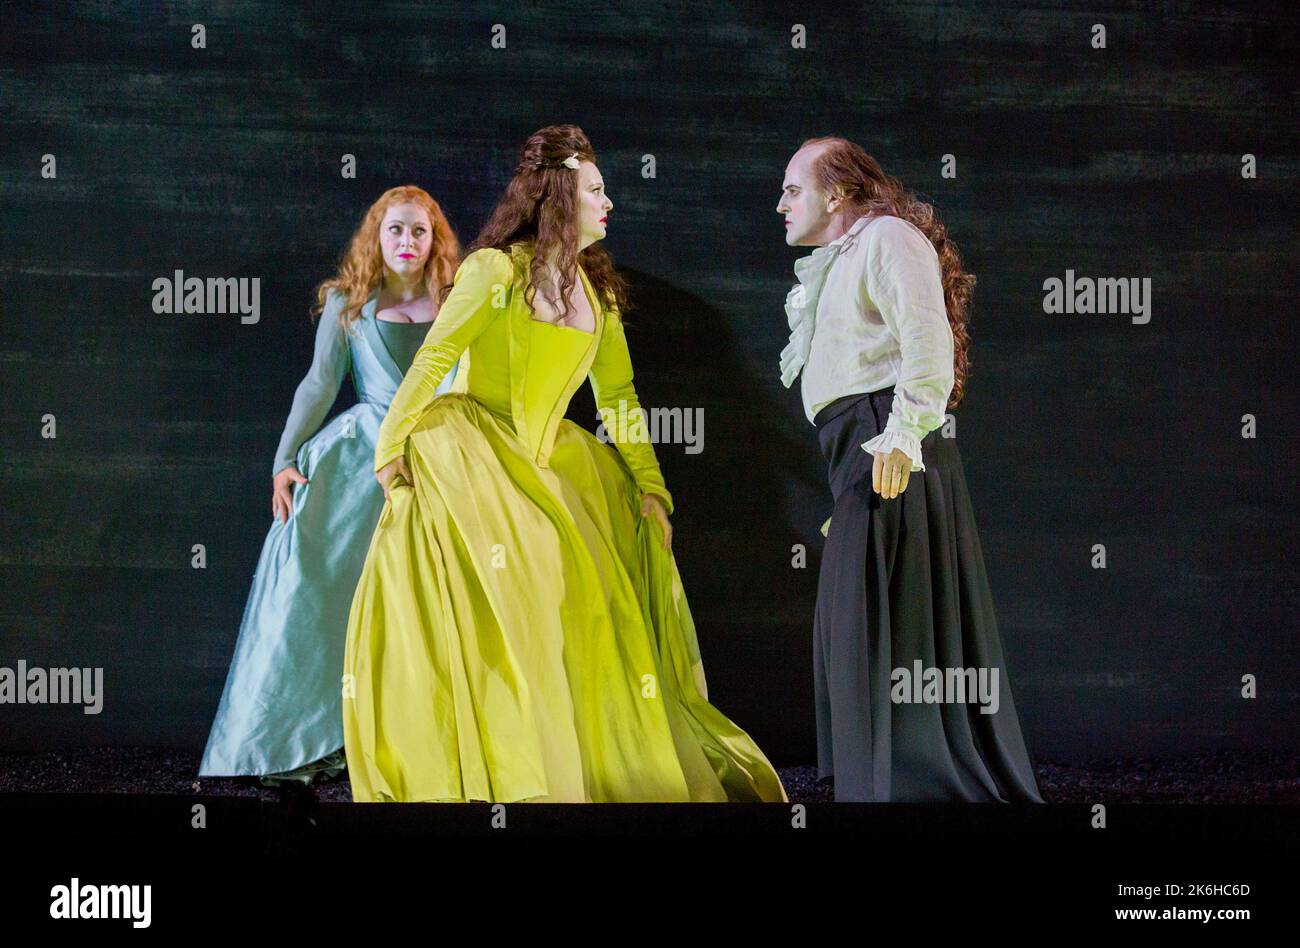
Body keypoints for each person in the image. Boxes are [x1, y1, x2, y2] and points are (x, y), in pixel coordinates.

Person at [342, 125, 787, 803]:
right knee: (518, 587)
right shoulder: (494, 270)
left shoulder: (597, 297)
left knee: (584, 597)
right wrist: (391, 445)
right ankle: (510, 770)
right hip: (475, 449)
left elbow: (619, 398)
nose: (609, 202)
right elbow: (435, 358)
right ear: (557, 197)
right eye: (596, 190)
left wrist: (651, 487)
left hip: (554, 462)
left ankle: (572, 763)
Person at [776, 136, 1043, 802]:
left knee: (888, 625)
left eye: (793, 188)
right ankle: (881, 783)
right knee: (853, 630)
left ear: (836, 192)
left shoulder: (888, 238)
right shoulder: (842, 259)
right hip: (857, 455)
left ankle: (920, 785)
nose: (781, 203)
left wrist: (899, 438)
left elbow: (928, 337)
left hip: (886, 444)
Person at [200, 186, 466, 782]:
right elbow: (317, 386)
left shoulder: (456, 302)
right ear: (377, 236)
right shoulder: (350, 302)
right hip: (359, 461)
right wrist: (283, 459)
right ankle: (311, 740)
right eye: (394, 230)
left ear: (435, 241)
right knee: (317, 578)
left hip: (442, 456)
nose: (406, 242)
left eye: (419, 232)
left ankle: (422, 736)